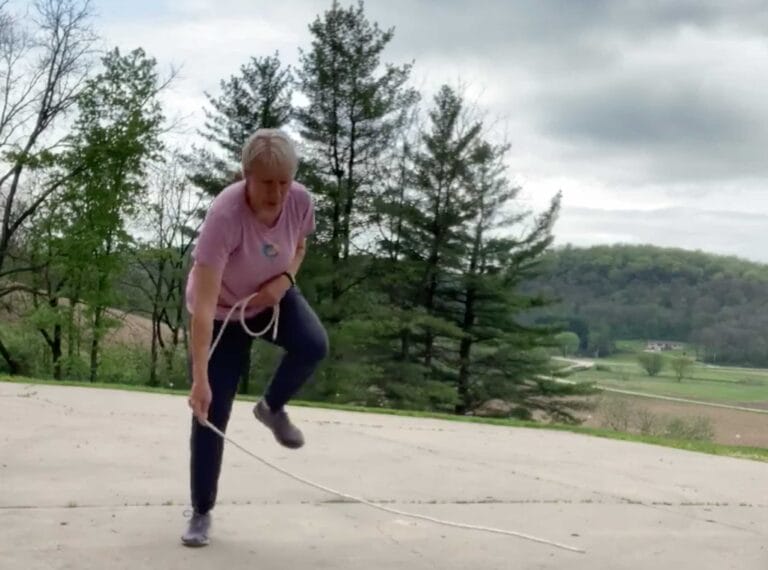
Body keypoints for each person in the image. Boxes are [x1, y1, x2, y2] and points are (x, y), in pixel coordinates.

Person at [181, 128, 329, 547]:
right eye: (267, 182)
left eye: (284, 181)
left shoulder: (299, 200)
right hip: (225, 312)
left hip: (272, 296)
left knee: (314, 344)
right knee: (211, 412)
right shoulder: (224, 217)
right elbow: (205, 307)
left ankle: (271, 407)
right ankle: (201, 512)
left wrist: (284, 280)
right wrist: (199, 378)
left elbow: (298, 246)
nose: (277, 192)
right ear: (246, 174)